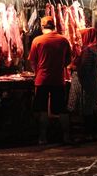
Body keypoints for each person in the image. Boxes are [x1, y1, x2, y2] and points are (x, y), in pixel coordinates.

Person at [29, 16, 72, 144]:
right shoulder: (64, 40)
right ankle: (66, 137)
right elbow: (68, 61)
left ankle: (43, 137)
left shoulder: (37, 40)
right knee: (61, 109)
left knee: (42, 109)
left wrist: (37, 71)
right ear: (54, 26)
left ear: (42, 27)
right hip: (58, 80)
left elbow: (32, 61)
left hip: (41, 80)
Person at [69, 28, 97, 141]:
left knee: (87, 109)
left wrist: (74, 67)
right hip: (92, 82)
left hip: (85, 83)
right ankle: (94, 133)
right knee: (91, 107)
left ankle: (89, 133)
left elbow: (84, 68)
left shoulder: (88, 50)